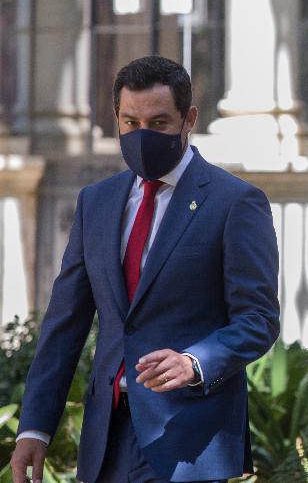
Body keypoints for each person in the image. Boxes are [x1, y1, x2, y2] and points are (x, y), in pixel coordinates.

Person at [10, 56, 280, 483]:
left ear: (188, 118)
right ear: (115, 119)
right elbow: (65, 324)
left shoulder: (235, 203)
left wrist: (195, 361)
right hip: (107, 439)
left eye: (158, 123)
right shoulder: (95, 203)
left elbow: (259, 319)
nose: (142, 135)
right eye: (130, 123)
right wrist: (35, 427)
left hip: (188, 442)